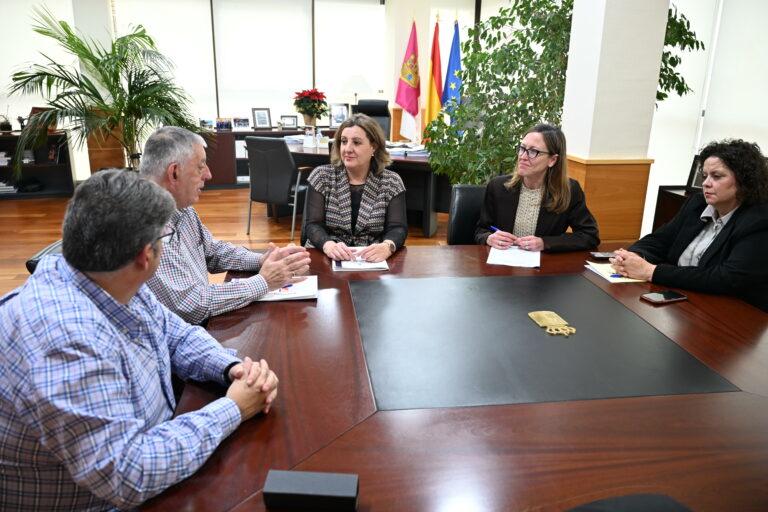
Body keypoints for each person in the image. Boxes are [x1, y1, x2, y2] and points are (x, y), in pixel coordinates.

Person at [0, 169, 278, 510]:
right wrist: (233, 408)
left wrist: (230, 367)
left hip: (151, 453)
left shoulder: (106, 275)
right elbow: (128, 475)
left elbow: (175, 333)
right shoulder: (64, 341)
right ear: (146, 256)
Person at [140, 126, 311, 325]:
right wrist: (264, 281)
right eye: (200, 166)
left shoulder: (181, 207)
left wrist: (261, 260)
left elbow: (212, 251)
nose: (209, 175)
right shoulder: (147, 226)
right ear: (175, 173)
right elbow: (191, 305)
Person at [611, 139, 768, 311]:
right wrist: (632, 258)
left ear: (745, 181)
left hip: (729, 313)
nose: (706, 183)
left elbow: (727, 278)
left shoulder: (759, 219)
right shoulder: (698, 203)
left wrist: (651, 271)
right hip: (682, 301)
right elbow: (659, 240)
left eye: (716, 176)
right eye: (705, 175)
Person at [474, 123, 600, 252]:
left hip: (544, 266)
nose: (522, 157)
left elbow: (589, 236)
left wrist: (545, 243)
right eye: (522, 148)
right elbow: (481, 230)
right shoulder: (497, 186)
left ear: (553, 160)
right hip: (501, 265)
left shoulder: (569, 190)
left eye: (533, 151)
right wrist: (489, 238)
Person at [304, 113, 407, 262]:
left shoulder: (391, 182)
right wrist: (328, 245)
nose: (347, 149)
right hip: (326, 256)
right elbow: (313, 225)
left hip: (370, 260)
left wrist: (387, 246)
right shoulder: (322, 176)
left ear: (374, 146)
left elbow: (398, 228)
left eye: (357, 142)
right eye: (344, 141)